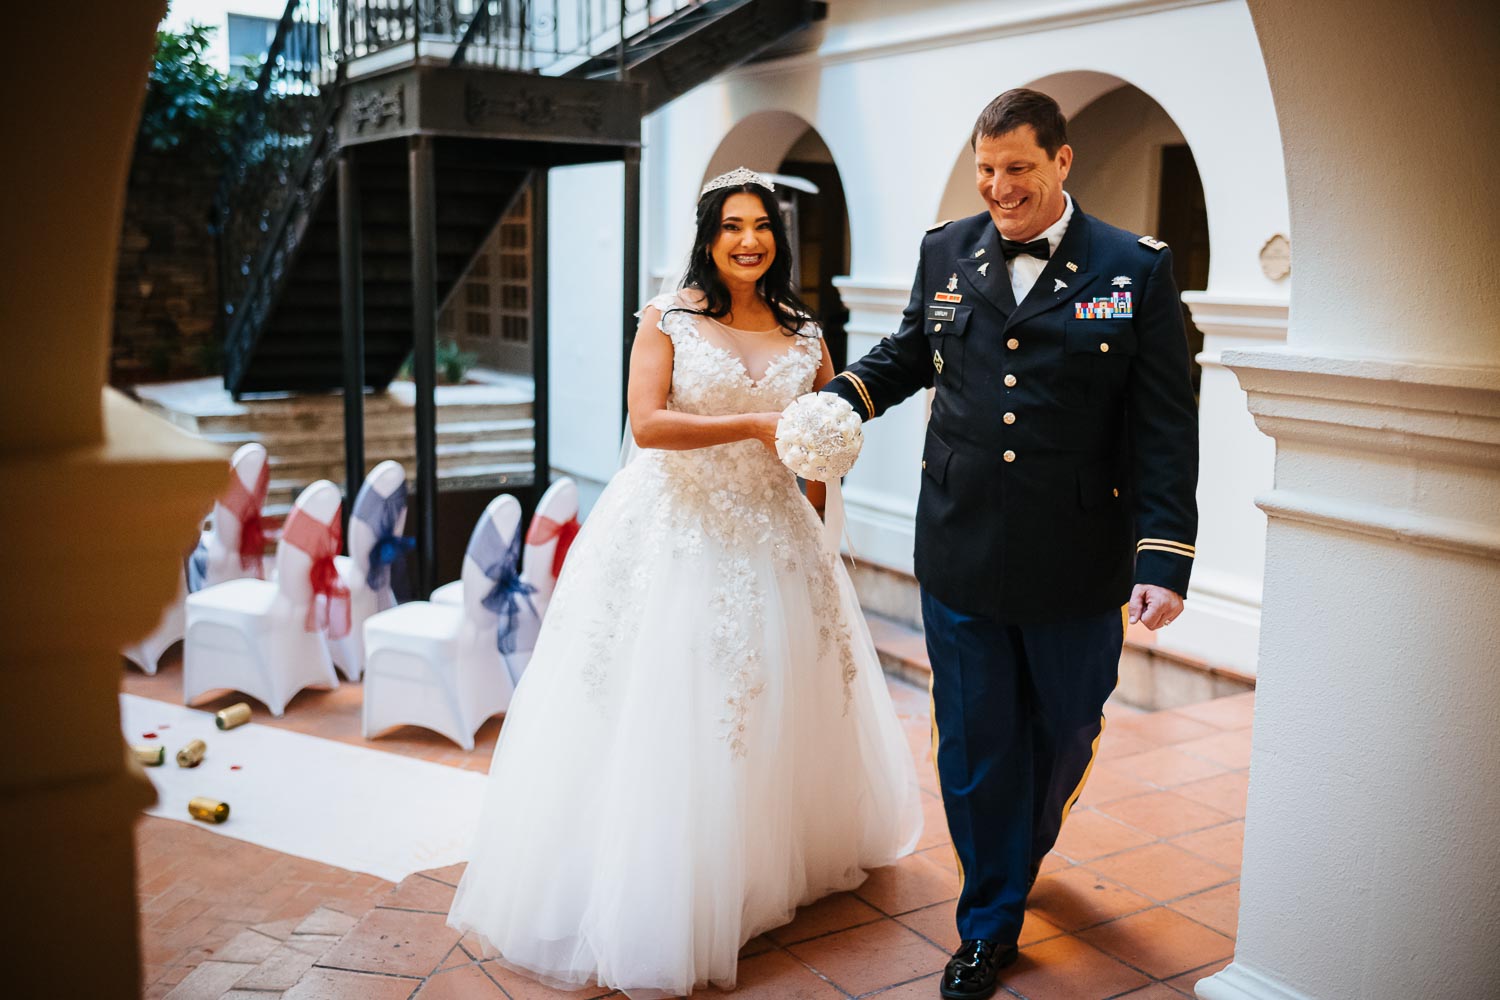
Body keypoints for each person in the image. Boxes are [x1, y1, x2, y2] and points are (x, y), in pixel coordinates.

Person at [446, 166, 922, 999]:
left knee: (774, 700)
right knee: (680, 703)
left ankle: (761, 871)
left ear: (777, 239)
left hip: (775, 534)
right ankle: (667, 889)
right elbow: (649, 425)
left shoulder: (806, 331)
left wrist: (816, 508)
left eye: (762, 227)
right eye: (732, 226)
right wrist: (753, 424)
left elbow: (821, 431)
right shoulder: (666, 318)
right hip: (680, 530)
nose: (749, 240)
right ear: (708, 237)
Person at [820, 89, 1200, 999]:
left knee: (1067, 727)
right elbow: (912, 352)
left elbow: (1163, 426)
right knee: (977, 742)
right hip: (959, 544)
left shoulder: (1133, 268)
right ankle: (989, 924)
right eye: (987, 170)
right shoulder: (945, 250)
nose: (998, 187)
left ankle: (1012, 858)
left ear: (1063, 162)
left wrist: (1163, 556)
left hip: (1076, 553)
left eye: (1017, 169)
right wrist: (843, 397)